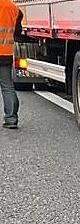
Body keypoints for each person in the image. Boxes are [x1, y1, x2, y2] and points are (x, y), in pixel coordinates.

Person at [0, 0, 22, 129]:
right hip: (5, 52)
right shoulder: (14, 8)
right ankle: (11, 118)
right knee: (7, 86)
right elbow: (18, 32)